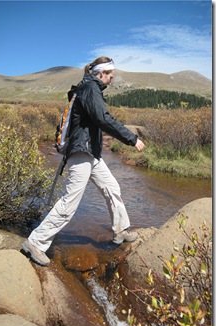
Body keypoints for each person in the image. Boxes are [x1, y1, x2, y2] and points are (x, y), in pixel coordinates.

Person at [22, 57, 146, 266]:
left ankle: (120, 230)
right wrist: (132, 139)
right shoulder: (90, 88)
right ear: (102, 72)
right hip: (82, 152)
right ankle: (36, 242)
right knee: (70, 202)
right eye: (110, 76)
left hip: (91, 153)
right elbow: (103, 118)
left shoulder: (89, 88)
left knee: (111, 187)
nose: (111, 81)